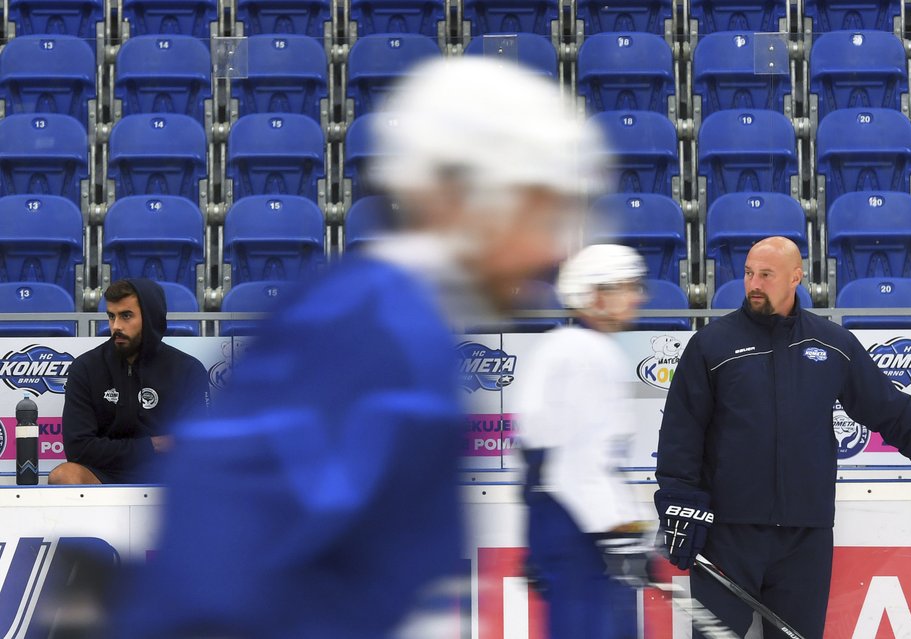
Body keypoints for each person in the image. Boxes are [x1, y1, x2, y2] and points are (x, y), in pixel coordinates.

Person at [114, 57, 605, 638]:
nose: (552, 251)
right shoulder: (377, 336)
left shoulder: (390, 321)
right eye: (540, 212)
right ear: (463, 196)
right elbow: (220, 566)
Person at [655, 236, 911, 638]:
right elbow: (681, 432)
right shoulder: (712, 345)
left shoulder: (832, 344)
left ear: (797, 276)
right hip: (727, 536)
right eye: (747, 273)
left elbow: (890, 412)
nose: (753, 283)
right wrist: (680, 502)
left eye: (765, 274)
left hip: (804, 540)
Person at [517, 244, 651, 639]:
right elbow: (580, 465)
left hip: (564, 521)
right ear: (596, 295)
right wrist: (620, 533)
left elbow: (542, 458)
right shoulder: (588, 354)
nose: (637, 296)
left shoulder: (566, 347)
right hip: (580, 530)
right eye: (627, 286)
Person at [49, 279, 209, 485]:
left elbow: (195, 446)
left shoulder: (188, 369)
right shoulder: (86, 368)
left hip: (170, 477)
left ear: (150, 317)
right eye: (111, 316)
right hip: (105, 475)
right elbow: (78, 449)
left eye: (126, 316)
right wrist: (154, 445)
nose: (116, 326)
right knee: (64, 476)